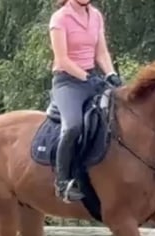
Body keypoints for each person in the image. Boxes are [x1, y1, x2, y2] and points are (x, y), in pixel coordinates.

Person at [48, 0, 123, 203]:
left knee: (121, 114)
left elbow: (101, 53)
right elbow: (62, 59)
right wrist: (87, 78)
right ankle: (62, 183)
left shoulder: (95, 15)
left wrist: (111, 74)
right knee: (73, 126)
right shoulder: (60, 18)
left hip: (92, 78)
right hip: (67, 82)